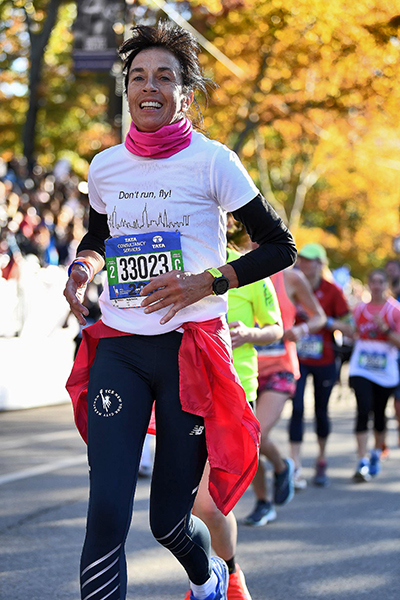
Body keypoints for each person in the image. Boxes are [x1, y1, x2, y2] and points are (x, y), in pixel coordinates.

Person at [63, 21, 296, 600]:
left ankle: (212, 573)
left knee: (169, 519)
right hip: (119, 345)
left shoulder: (214, 160)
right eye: (138, 77)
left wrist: (206, 281)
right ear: (127, 92)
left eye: (164, 77)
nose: (149, 86)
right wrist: (83, 269)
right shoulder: (106, 167)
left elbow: (280, 245)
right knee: (107, 510)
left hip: (190, 351)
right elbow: (97, 236)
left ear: (183, 95)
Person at [182, 228, 284, 600]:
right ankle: (205, 580)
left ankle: (229, 572)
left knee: (209, 503)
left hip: (238, 390)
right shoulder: (185, 256)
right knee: (182, 505)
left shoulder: (251, 268)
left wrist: (249, 334)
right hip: (187, 388)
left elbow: (277, 328)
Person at [244, 266, 326, 525]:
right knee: (247, 440)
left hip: (280, 369)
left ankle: (277, 473)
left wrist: (301, 330)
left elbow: (319, 317)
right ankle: (268, 494)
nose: (255, 244)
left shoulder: (290, 278)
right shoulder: (237, 270)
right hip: (245, 367)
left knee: (254, 434)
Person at [289, 243, 352, 487]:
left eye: (310, 260)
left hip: (325, 358)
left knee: (321, 411)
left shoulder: (333, 291)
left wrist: (321, 322)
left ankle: (322, 459)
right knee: (296, 409)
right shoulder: (291, 286)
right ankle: (296, 465)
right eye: (301, 259)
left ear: (320, 264)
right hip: (298, 358)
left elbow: (350, 329)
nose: (304, 264)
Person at [349, 268, 400, 481]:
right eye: (373, 281)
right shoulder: (359, 310)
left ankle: (376, 453)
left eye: (381, 282)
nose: (377, 285)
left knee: (380, 414)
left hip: (385, 370)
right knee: (363, 408)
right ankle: (362, 459)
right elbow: (352, 332)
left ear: (385, 285)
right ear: (369, 284)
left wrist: (385, 329)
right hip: (361, 368)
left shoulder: (394, 310)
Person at [384, 259, 400, 448]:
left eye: (393, 268)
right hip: (385, 352)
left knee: (397, 399)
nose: (390, 272)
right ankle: (382, 441)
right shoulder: (385, 293)